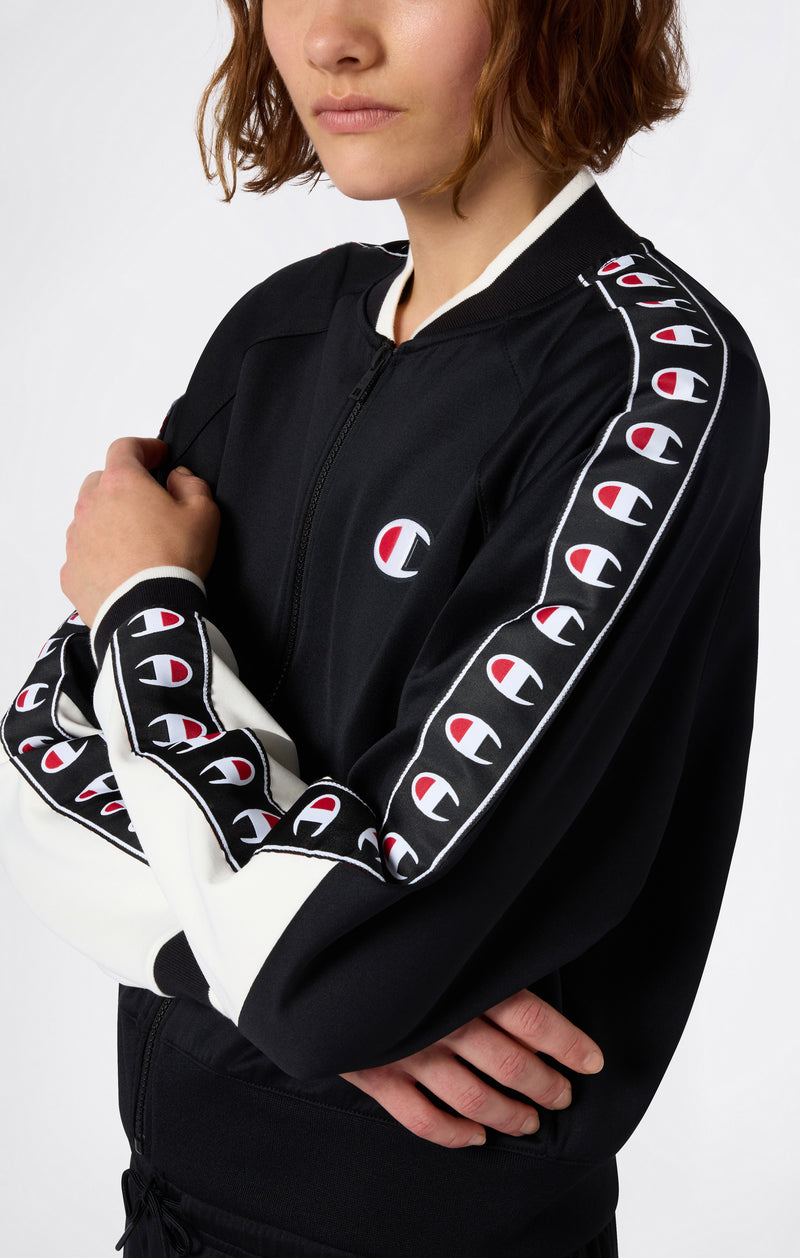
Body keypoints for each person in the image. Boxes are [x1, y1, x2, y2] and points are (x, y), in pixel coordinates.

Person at [0, 0, 769, 1255]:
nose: (329, 39)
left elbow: (324, 980)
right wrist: (276, 971)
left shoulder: (648, 381)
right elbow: (37, 773)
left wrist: (141, 599)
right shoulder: (277, 331)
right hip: (162, 1219)